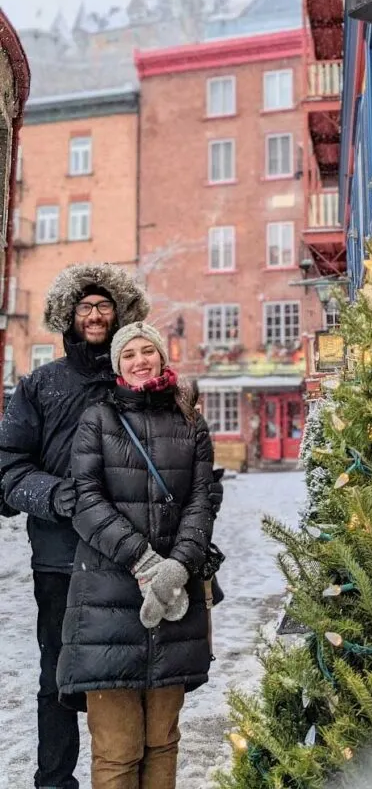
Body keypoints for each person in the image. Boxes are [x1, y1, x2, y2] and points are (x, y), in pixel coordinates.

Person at [0, 263, 150, 789]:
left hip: (131, 557)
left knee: (128, 678)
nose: (94, 314)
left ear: (120, 314)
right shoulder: (40, 385)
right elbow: (8, 468)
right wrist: (57, 495)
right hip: (61, 560)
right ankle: (54, 781)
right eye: (84, 306)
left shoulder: (135, 376)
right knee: (57, 680)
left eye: (104, 305)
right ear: (67, 314)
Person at [57, 321, 216, 789]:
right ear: (117, 364)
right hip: (107, 601)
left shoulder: (190, 421)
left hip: (175, 600)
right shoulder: (97, 419)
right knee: (118, 748)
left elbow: (202, 501)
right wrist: (144, 561)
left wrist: (178, 565)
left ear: (162, 358)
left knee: (163, 740)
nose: (140, 360)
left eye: (148, 351)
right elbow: (86, 501)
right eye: (129, 354)